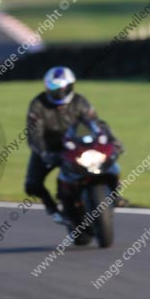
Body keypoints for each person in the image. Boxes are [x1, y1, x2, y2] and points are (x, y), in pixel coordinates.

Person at [24, 66, 125, 223]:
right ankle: (52, 209)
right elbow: (34, 135)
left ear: (71, 85)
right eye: (54, 88)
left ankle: (115, 195)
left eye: (63, 87)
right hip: (49, 147)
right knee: (32, 184)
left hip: (76, 144)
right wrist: (44, 154)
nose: (59, 92)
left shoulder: (80, 102)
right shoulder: (38, 104)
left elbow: (96, 124)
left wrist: (113, 141)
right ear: (46, 87)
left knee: (107, 161)